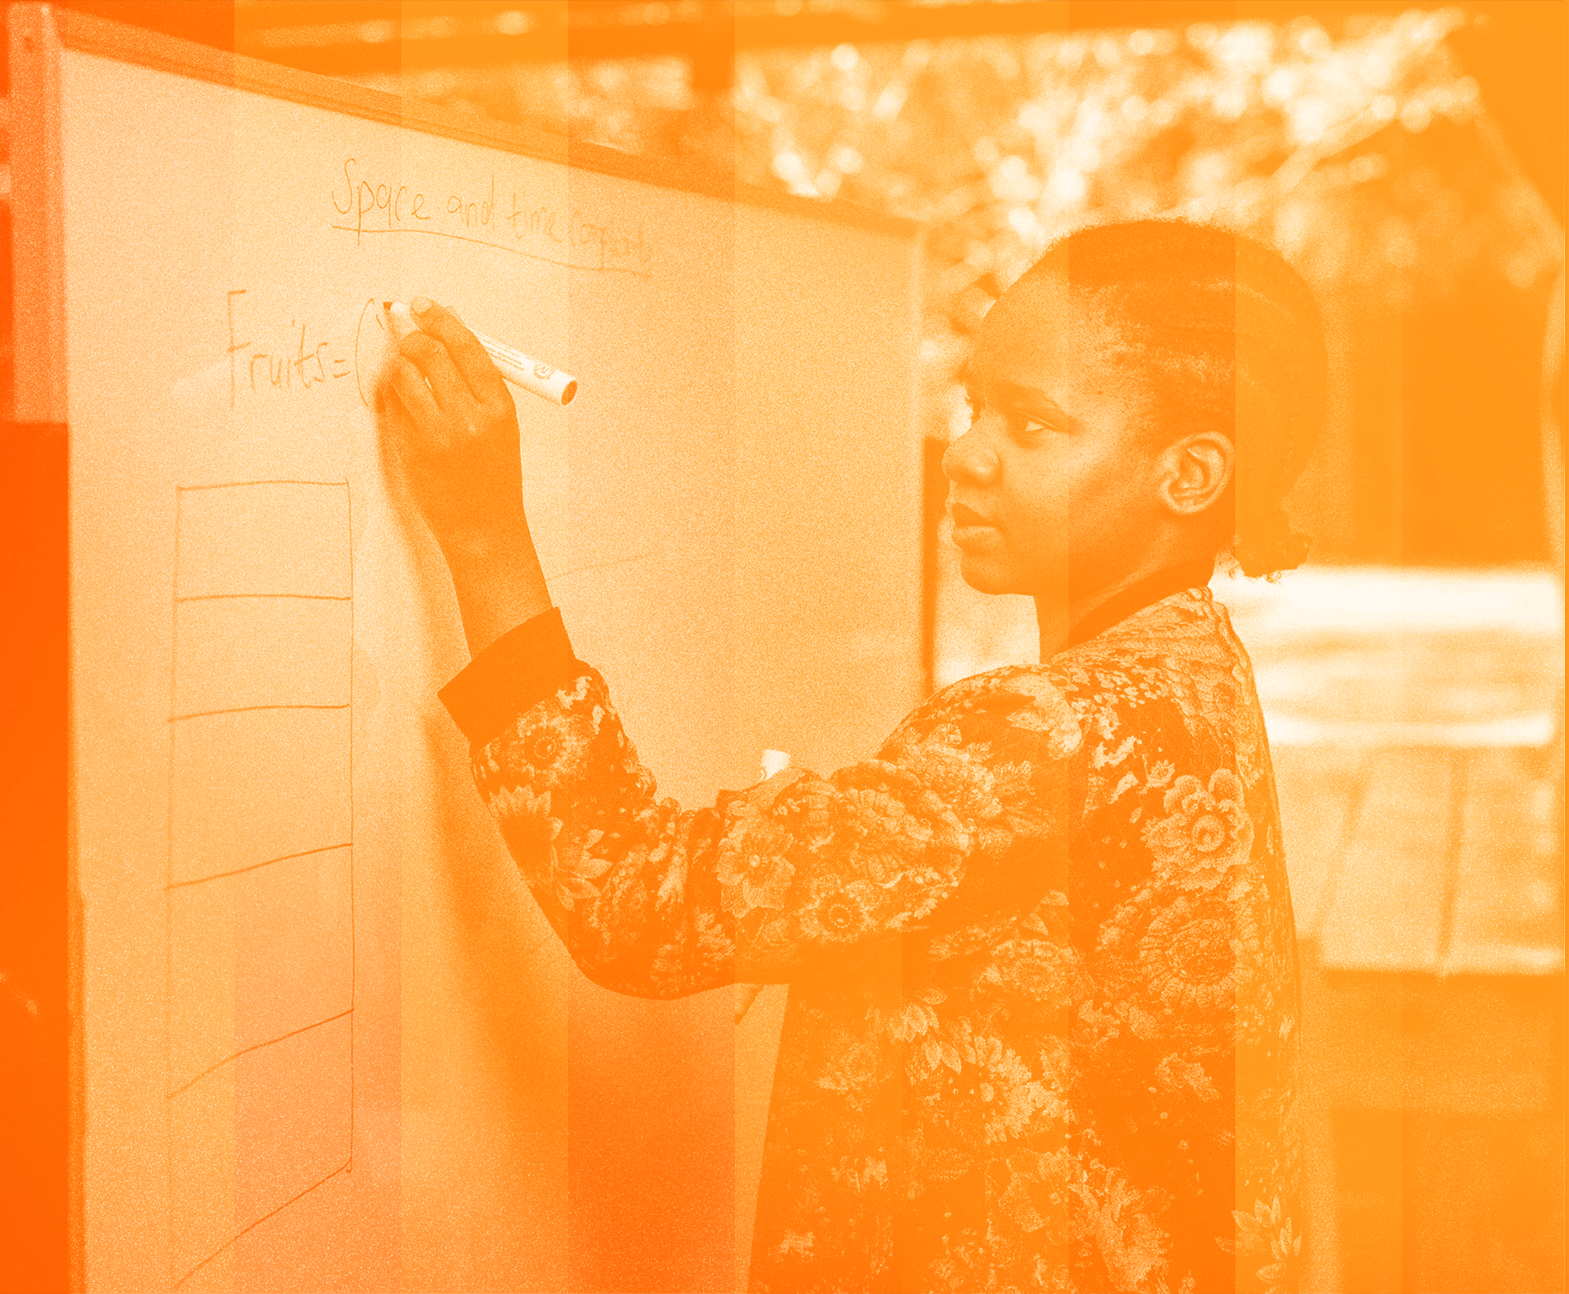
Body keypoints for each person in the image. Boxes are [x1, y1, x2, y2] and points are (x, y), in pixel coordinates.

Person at [376, 217, 1321, 1294]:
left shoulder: (1043, 729)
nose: (966, 452)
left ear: (1190, 474)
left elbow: (638, 895)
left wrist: (484, 529)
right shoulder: (1192, 664)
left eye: (1032, 421)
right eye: (973, 406)